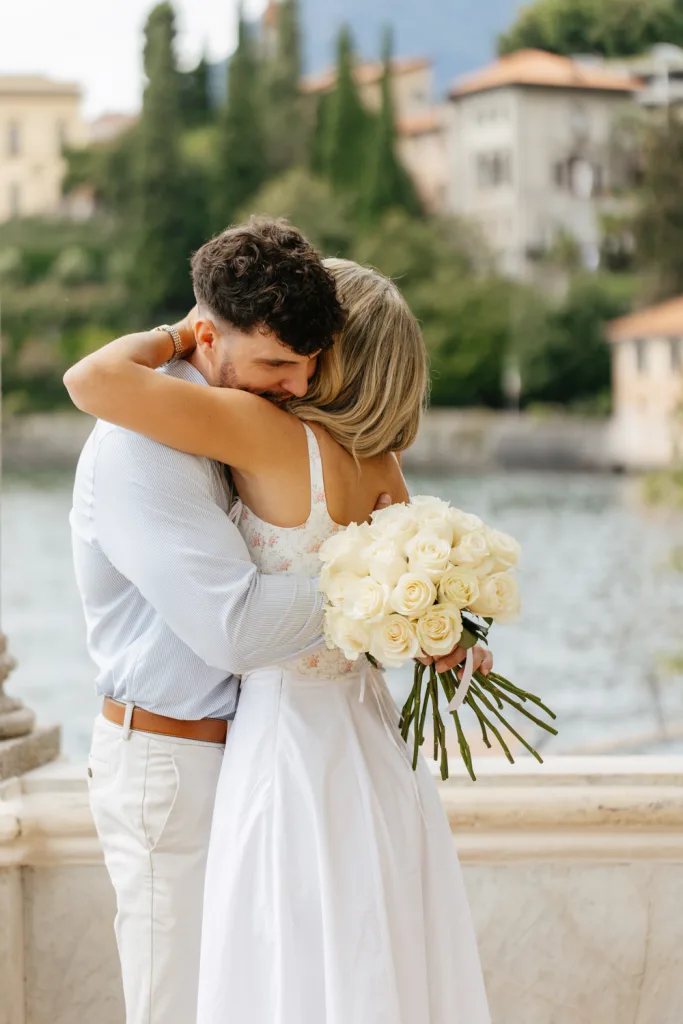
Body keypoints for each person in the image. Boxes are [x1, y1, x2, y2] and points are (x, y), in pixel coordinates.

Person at [65, 225, 492, 1023]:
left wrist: (413, 609)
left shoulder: (256, 428)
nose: (293, 382)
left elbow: (93, 375)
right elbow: (243, 628)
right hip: (211, 749)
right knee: (338, 961)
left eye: (307, 359)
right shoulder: (168, 442)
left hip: (270, 742)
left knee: (272, 975)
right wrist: (398, 607)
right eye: (278, 363)